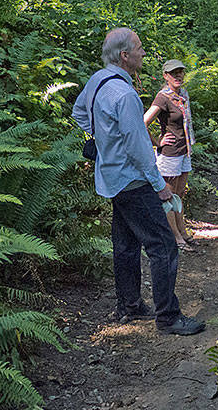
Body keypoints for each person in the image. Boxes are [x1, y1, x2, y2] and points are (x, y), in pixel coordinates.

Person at [71, 27, 205, 336]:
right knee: (163, 246)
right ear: (125, 55)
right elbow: (138, 147)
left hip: (111, 177)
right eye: (140, 49)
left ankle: (129, 305)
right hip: (133, 180)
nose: (144, 53)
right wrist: (159, 185)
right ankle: (168, 317)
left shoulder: (96, 81)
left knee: (126, 244)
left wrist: (101, 136)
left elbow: (79, 112)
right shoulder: (125, 94)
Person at [144, 59, 196, 251]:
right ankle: (174, 237)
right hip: (170, 155)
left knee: (179, 194)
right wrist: (157, 142)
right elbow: (143, 122)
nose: (178, 76)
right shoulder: (163, 97)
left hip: (184, 151)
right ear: (165, 76)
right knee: (168, 195)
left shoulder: (183, 94)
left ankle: (182, 231)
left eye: (181, 72)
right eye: (173, 73)